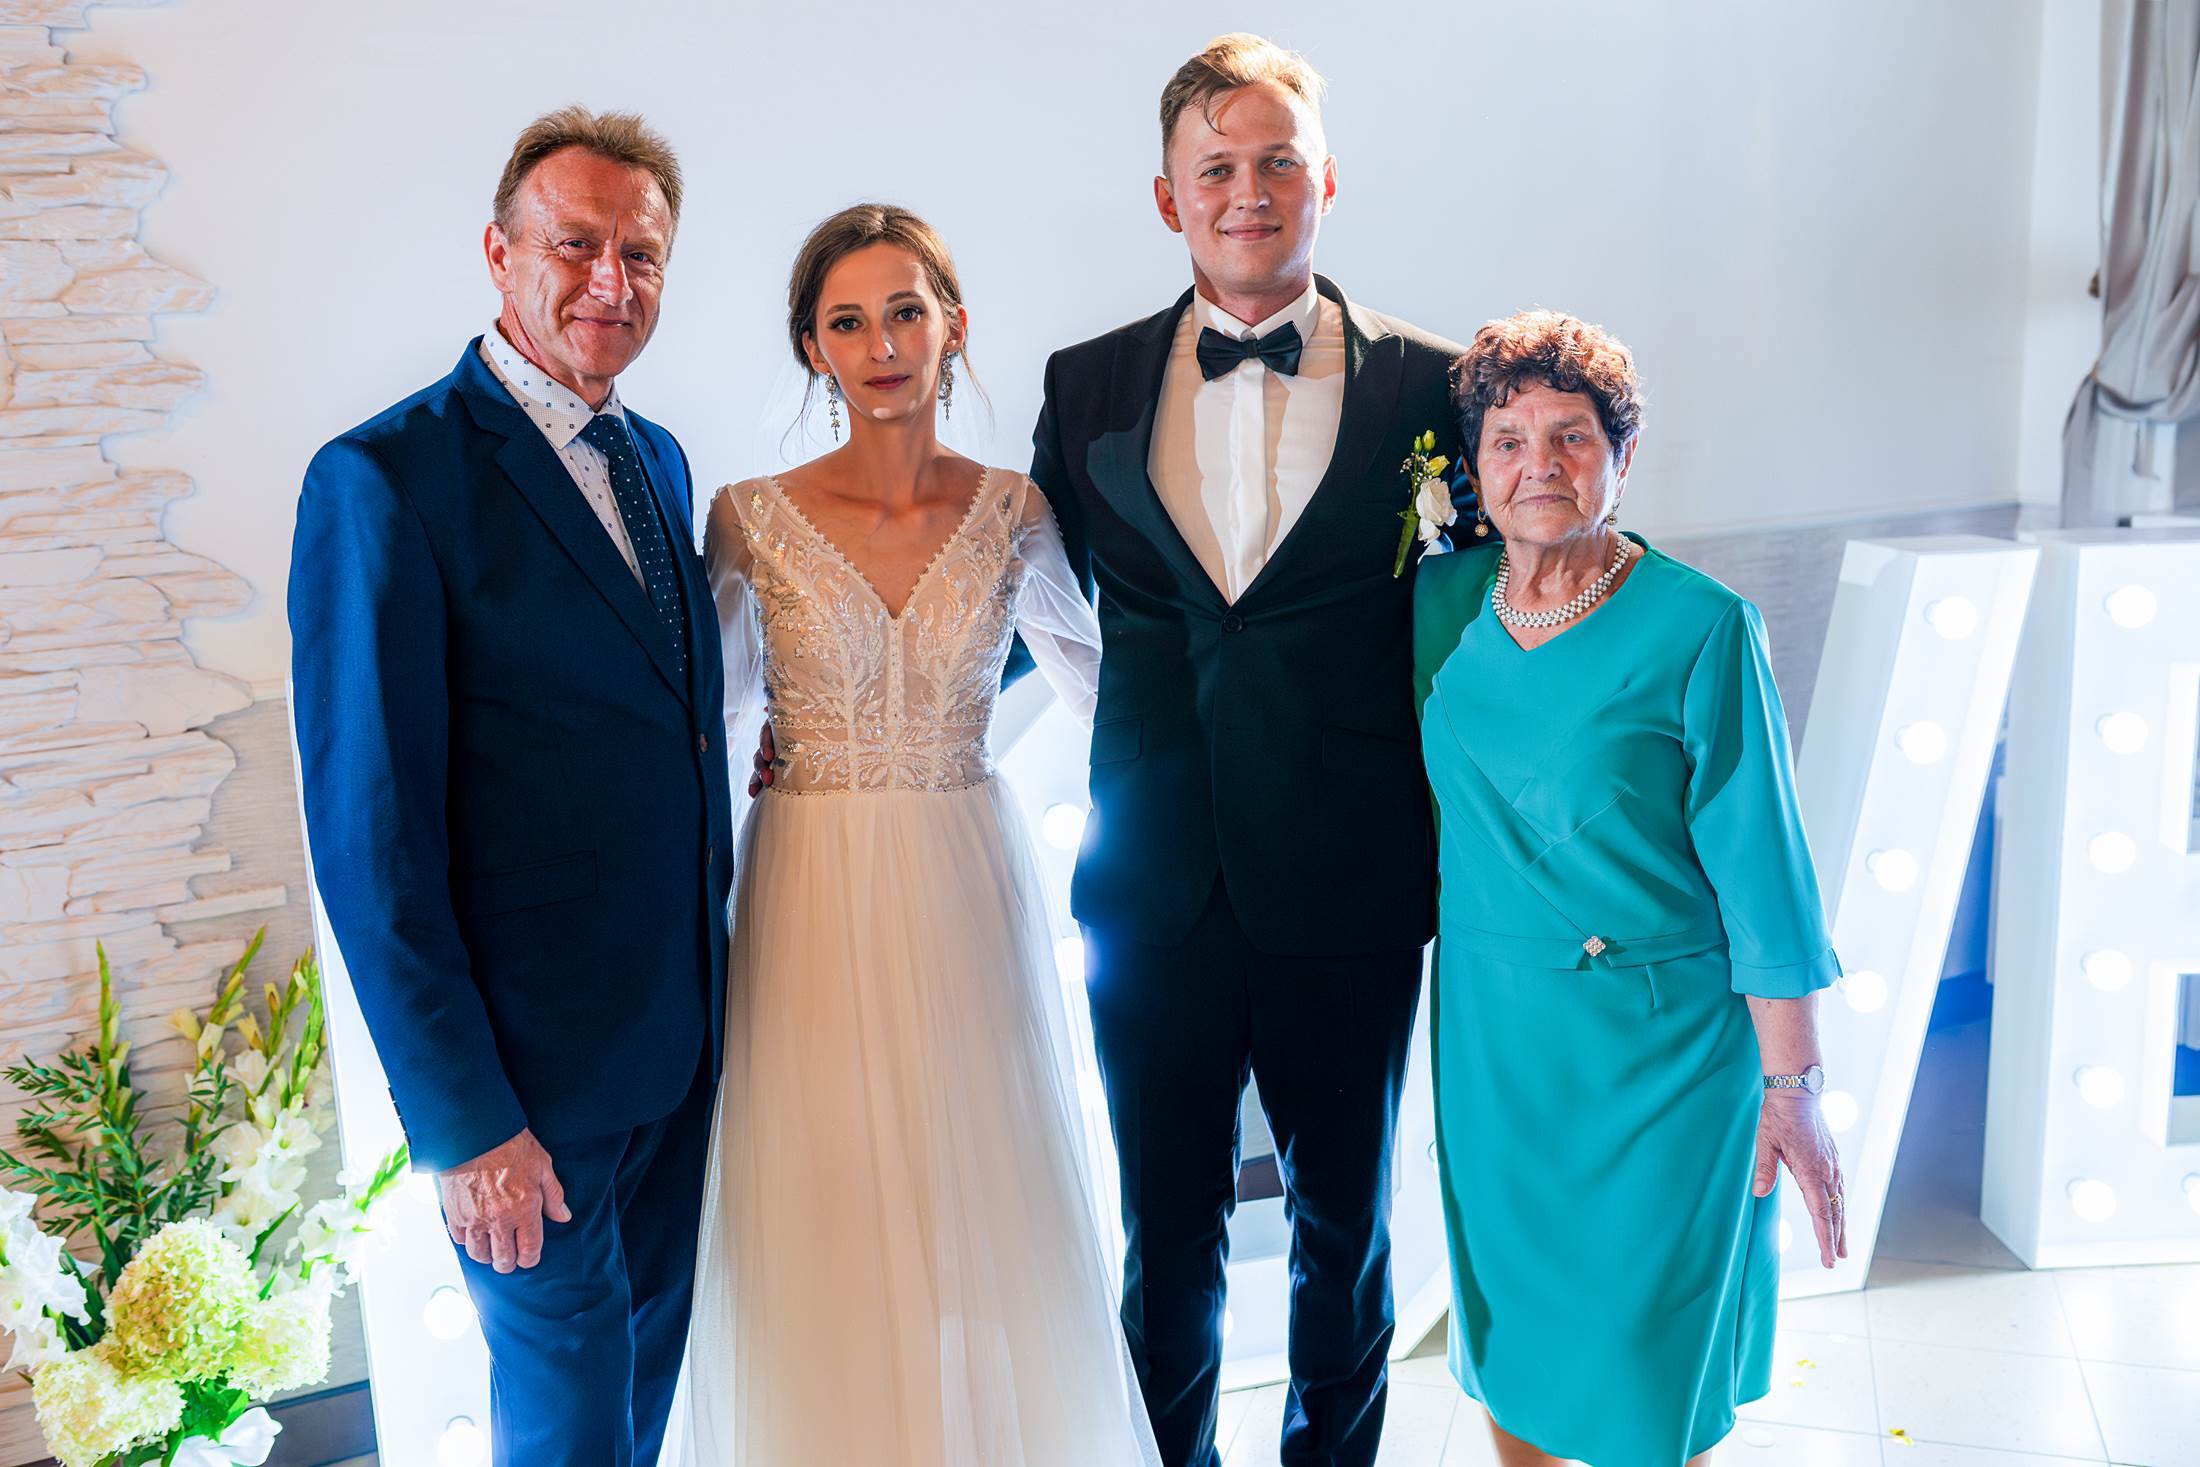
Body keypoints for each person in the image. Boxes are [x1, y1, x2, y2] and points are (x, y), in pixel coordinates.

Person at [1026, 32, 1465, 1467]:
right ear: (1169, 198)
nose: (1249, 192)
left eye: (1279, 161)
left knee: (1346, 1226)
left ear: (1327, 179)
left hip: (1351, 878)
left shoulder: (1434, 387)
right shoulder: (1086, 384)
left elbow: (1491, 602)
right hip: (1151, 888)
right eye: (1216, 168)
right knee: (1165, 1234)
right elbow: (1023, 600)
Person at [675, 204, 1158, 1466]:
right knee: (822, 1199)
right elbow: (707, 728)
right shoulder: (746, 518)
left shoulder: (1013, 512)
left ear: (954, 326)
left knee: (981, 1191)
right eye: (847, 322)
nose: (881, 344)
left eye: (904, 311)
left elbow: (1108, 699)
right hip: (806, 885)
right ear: (812, 347)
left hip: (961, 882)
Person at [289, 108, 732, 1467]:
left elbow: (662, 732)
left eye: (641, 256)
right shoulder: (384, 479)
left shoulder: (657, 458)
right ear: (499, 253)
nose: (611, 282)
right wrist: (467, 1124)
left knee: (637, 1407)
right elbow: (372, 844)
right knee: (566, 1425)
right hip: (522, 1090)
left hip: (674, 1049)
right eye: (575, 246)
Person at [1413, 310, 1847, 1467]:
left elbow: (1765, 876)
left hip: (1662, 1061)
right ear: (1477, 465)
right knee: (1515, 1338)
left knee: (1648, 1365)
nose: (1538, 465)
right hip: (1497, 1050)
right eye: (1508, 440)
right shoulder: (1436, 607)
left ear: (1623, 455)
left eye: (1571, 436)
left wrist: (1793, 1087)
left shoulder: (1702, 627)